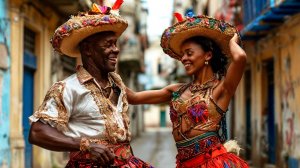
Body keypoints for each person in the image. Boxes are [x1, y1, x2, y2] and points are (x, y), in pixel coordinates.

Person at [28, 2, 152, 167]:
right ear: (87, 49)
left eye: (115, 44)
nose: (116, 50)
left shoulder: (116, 84)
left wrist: (177, 90)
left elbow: (136, 100)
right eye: (108, 44)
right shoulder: (67, 88)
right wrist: (84, 145)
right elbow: (37, 133)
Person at [125, 13, 249, 167]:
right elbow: (132, 97)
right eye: (182, 54)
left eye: (189, 53)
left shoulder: (221, 89)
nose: (183, 58)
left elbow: (240, 58)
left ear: (208, 55)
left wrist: (232, 39)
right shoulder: (175, 90)